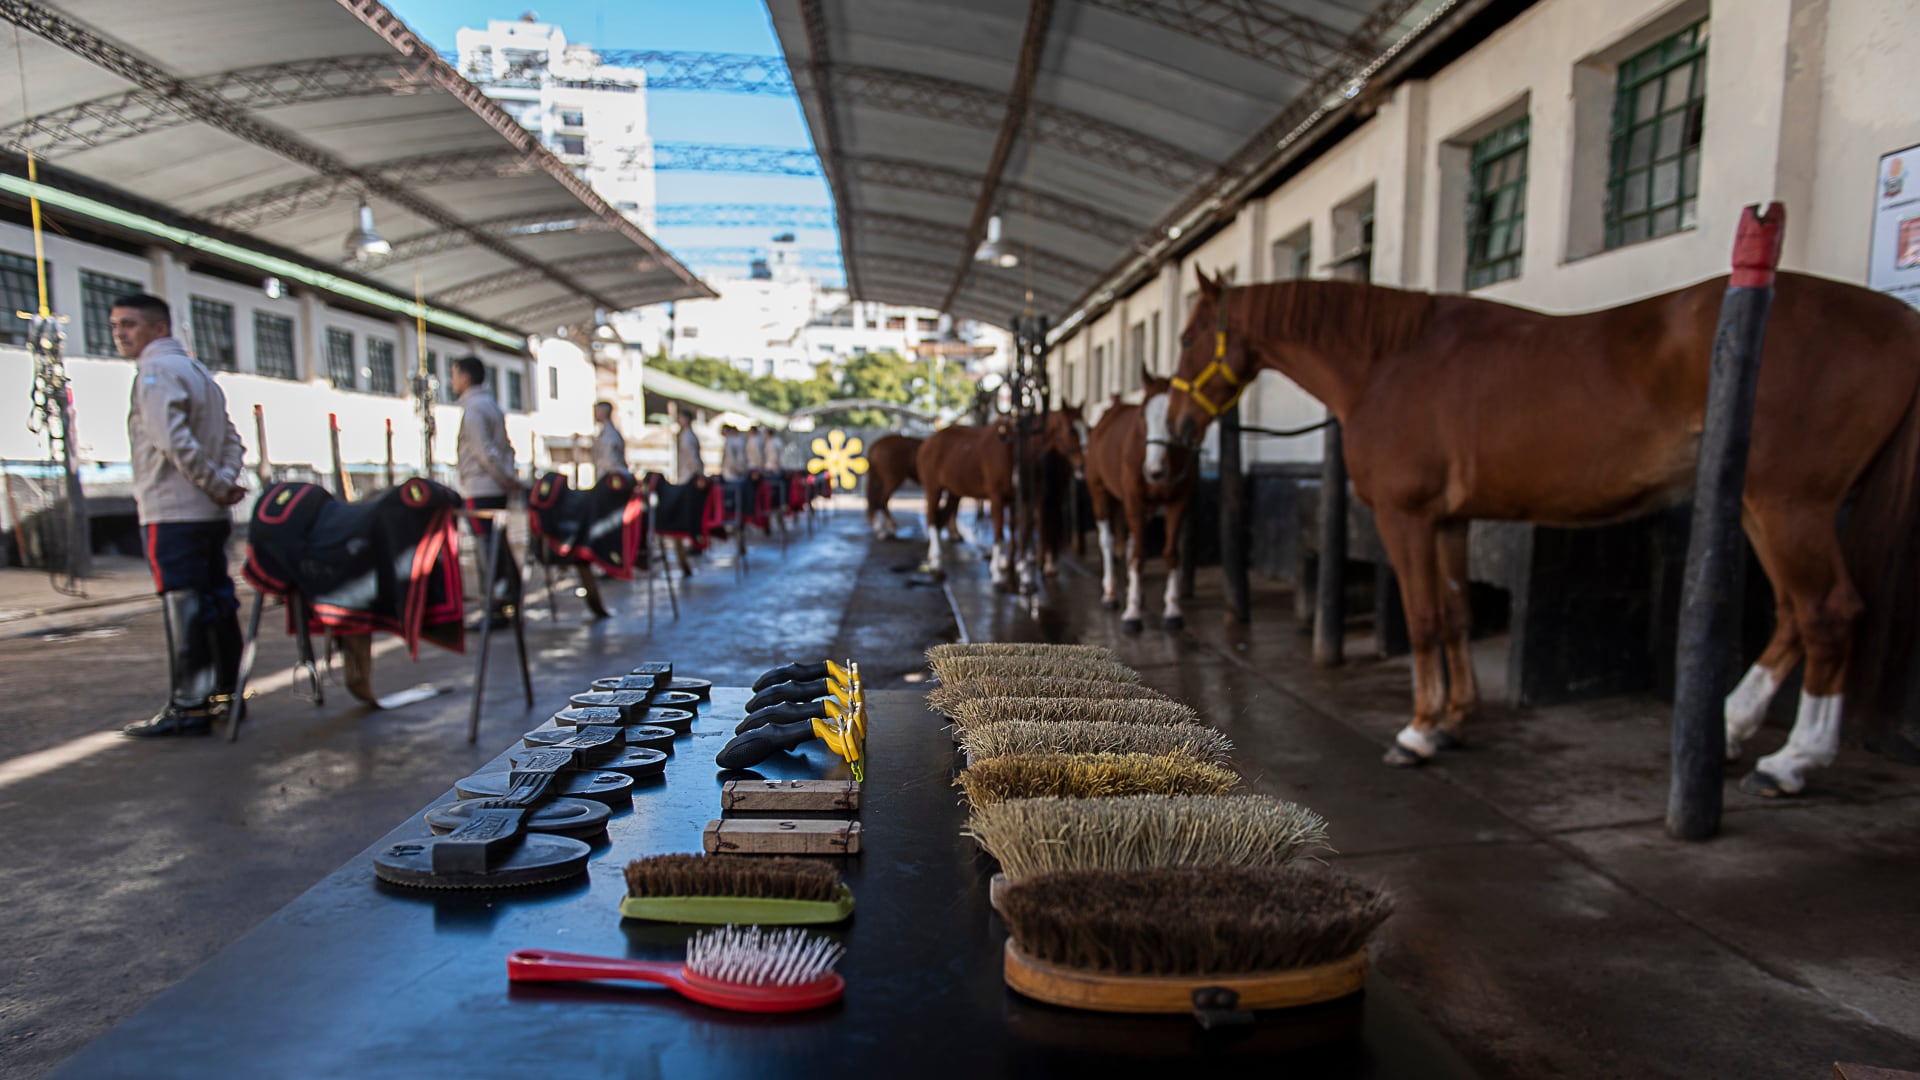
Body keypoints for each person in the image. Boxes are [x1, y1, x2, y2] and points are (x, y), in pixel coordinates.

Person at [117, 293, 248, 738]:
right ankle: (226, 695)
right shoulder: (199, 374)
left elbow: (172, 442)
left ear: (158, 329)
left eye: (129, 324)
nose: (120, 333)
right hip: (209, 514)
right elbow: (233, 440)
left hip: (173, 512)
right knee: (216, 600)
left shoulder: (155, 372)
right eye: (116, 325)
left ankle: (190, 706)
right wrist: (225, 484)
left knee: (185, 602)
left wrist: (214, 484)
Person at [450, 356, 521, 627]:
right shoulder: (490, 405)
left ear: (465, 377)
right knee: (497, 546)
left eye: (454, 374)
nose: (452, 381)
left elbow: (486, 453)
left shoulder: (475, 410)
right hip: (494, 486)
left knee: (487, 550)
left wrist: (504, 478)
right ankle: (508, 598)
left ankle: (495, 606)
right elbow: (504, 449)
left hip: (482, 488)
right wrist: (508, 479)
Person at [591, 400, 628, 481]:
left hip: (612, 478)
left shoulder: (610, 434)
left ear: (603, 412)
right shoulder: (604, 432)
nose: (594, 414)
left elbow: (609, 460)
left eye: (597, 410)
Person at [674, 412, 703, 484]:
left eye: (681, 418)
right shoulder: (683, 435)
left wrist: (697, 471)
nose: (679, 420)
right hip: (684, 472)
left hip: (688, 474)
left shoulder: (688, 436)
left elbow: (692, 455)